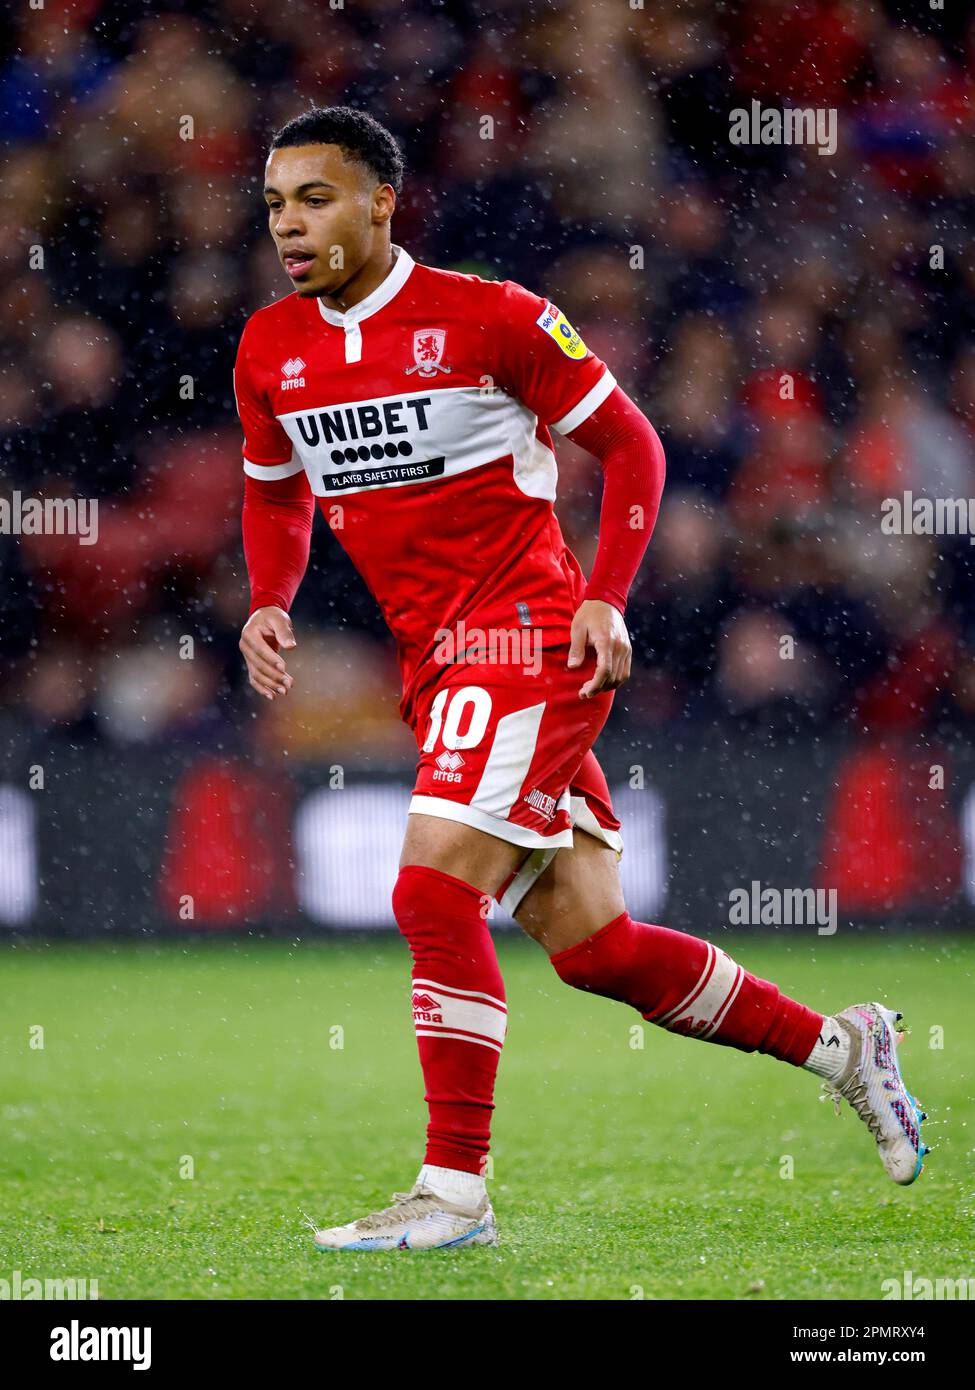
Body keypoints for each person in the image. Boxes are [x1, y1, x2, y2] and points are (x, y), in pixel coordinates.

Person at [235, 106, 928, 1252]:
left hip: (527, 640)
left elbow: (634, 446)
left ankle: (453, 1193)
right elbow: (274, 489)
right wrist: (271, 594)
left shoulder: (491, 317)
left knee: (427, 893)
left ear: (379, 202)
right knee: (597, 947)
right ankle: (845, 1047)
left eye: (315, 198)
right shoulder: (270, 347)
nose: (291, 225)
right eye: (274, 206)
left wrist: (604, 593)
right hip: (438, 663)